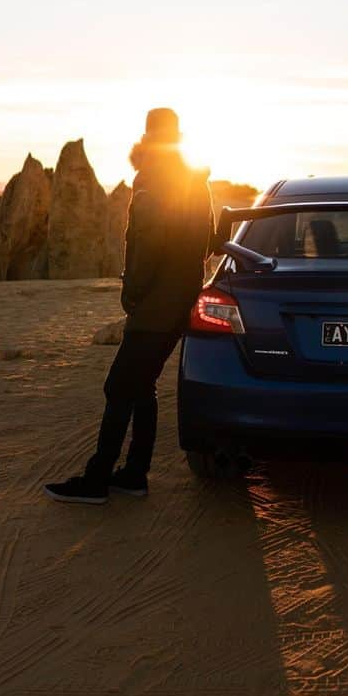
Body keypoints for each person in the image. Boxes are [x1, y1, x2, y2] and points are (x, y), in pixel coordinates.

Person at [45, 108, 214, 504]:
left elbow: (146, 250)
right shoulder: (195, 183)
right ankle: (134, 474)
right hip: (181, 302)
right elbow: (205, 244)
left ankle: (97, 479)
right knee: (142, 386)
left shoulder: (153, 183)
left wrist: (132, 293)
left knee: (119, 385)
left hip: (155, 305)